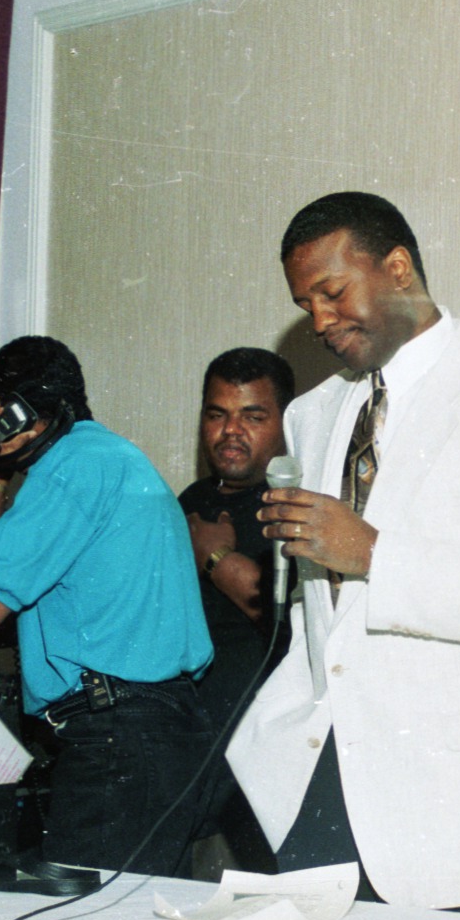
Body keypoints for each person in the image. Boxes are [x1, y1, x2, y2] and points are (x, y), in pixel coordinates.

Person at [226, 192, 460, 915]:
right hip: (318, 790)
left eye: (332, 293)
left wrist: (376, 556)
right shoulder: (313, 415)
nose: (321, 322)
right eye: (306, 305)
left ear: (398, 268)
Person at [0, 336, 215, 876]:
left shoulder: (68, 470)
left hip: (119, 735)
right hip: (164, 728)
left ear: (16, 414)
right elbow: (78, 607)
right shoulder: (113, 457)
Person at [179, 346, 296, 872]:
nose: (231, 431)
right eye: (217, 414)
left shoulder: (295, 507)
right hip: (188, 757)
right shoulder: (189, 500)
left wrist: (218, 559)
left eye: (253, 416)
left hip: (259, 771)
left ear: (284, 424)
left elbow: (291, 627)